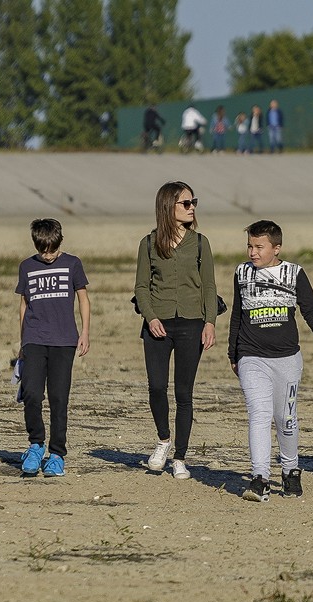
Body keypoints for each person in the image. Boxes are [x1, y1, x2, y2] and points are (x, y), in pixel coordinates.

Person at [228, 220, 313, 502]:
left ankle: (290, 470)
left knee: (285, 419)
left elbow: (309, 307)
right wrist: (233, 353)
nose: (252, 252)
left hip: (287, 359)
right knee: (259, 415)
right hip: (251, 356)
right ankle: (259, 477)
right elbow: (237, 315)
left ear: (276, 247)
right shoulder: (241, 273)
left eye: (259, 247)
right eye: (249, 245)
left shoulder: (294, 273)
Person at [134, 181, 218, 480]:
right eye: (185, 202)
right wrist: (151, 317)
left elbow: (209, 285)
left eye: (193, 201)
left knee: (184, 393)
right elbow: (141, 286)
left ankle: (180, 457)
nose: (192, 206)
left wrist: (210, 322)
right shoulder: (148, 243)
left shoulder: (200, 243)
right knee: (156, 387)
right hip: (157, 324)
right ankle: (163, 441)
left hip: (192, 324)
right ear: (168, 207)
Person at [16, 218, 90, 478]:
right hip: (34, 339)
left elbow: (83, 299)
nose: (47, 256)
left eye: (51, 250)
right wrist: (22, 341)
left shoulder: (72, 264)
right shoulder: (27, 266)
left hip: (64, 341)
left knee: (59, 398)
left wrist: (85, 333)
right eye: (42, 250)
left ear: (59, 242)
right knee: (32, 394)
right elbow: (24, 305)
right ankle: (36, 445)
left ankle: (56, 454)